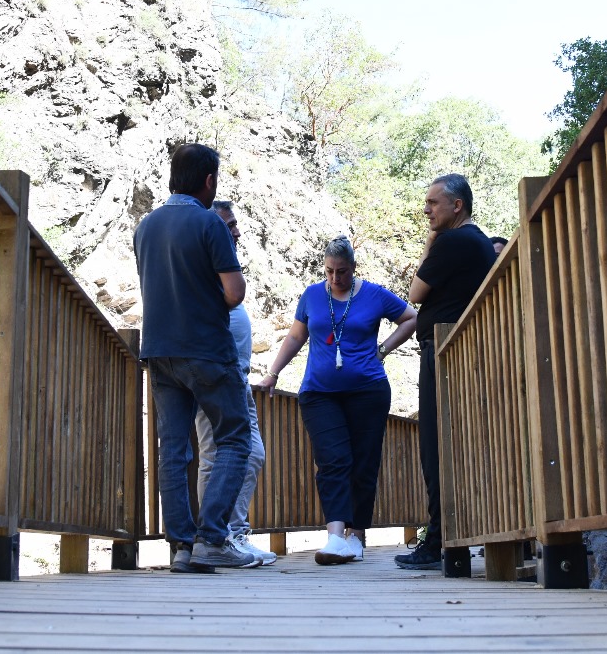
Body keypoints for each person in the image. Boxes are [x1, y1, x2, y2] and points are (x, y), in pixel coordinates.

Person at [133, 144, 260, 572]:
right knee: (235, 438)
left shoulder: (145, 226)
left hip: (159, 351)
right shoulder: (210, 223)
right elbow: (234, 292)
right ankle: (212, 538)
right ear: (209, 181)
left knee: (172, 449)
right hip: (206, 350)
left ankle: (181, 548)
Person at [258, 236, 417, 565]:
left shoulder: (373, 294)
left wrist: (383, 349)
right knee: (332, 460)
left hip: (368, 391)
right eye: (329, 271)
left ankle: (356, 537)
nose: (334, 279)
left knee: (363, 463)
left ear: (353, 268)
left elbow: (411, 317)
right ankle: (334, 537)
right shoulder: (313, 295)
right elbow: (296, 336)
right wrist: (272, 372)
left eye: (341, 272)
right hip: (319, 393)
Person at [395, 173, 496, 571]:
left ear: (457, 206)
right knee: (451, 445)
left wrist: (430, 244)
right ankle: (447, 538)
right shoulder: (477, 241)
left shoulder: (455, 240)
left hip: (443, 351)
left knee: (435, 446)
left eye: (434, 203)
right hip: (459, 350)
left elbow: (416, 294)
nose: (426, 210)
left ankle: (437, 541)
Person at [193, 200, 275, 566]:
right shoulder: (203, 269)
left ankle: (232, 535)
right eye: (229, 225)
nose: (237, 232)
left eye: (236, 224)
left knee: (251, 454)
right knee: (213, 457)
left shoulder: (220, 268)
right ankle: (216, 539)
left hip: (236, 380)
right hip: (214, 378)